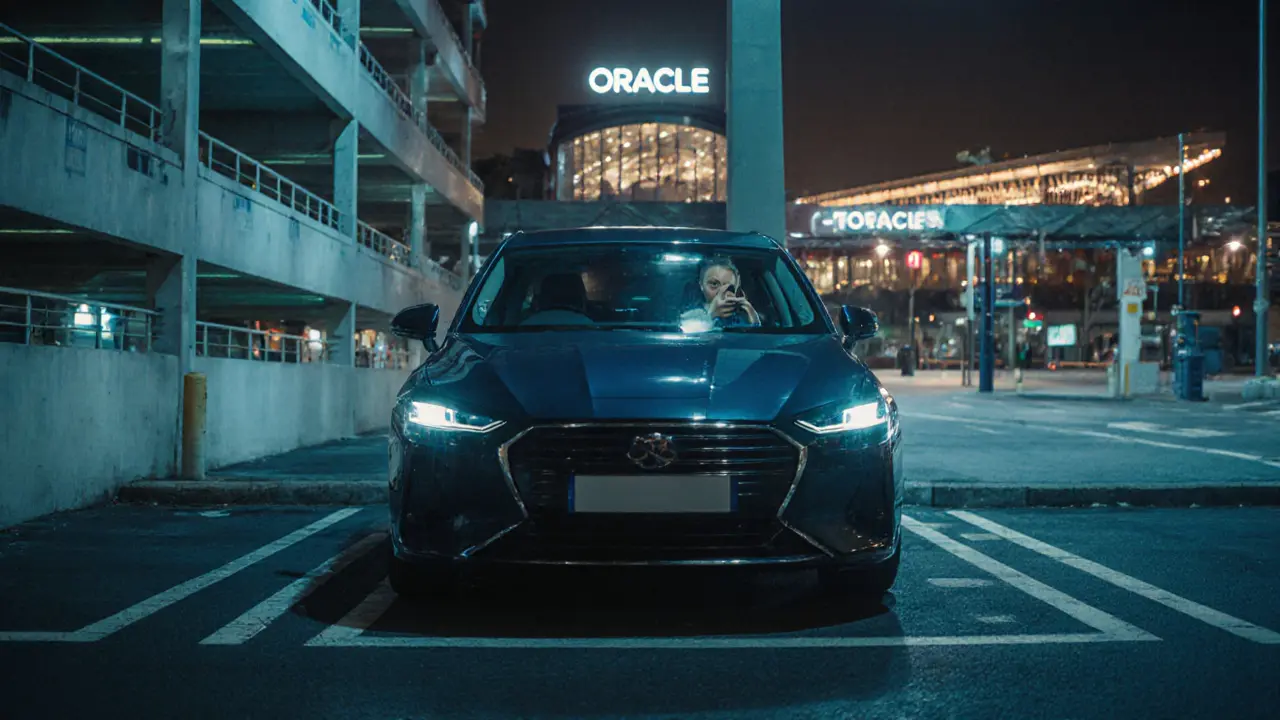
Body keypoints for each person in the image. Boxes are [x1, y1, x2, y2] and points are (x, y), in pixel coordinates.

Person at [680, 256, 761, 330]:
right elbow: (689, 335)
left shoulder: (741, 317)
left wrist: (754, 320)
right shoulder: (691, 316)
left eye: (729, 287)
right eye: (714, 284)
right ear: (701, 285)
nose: (721, 292)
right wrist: (711, 316)